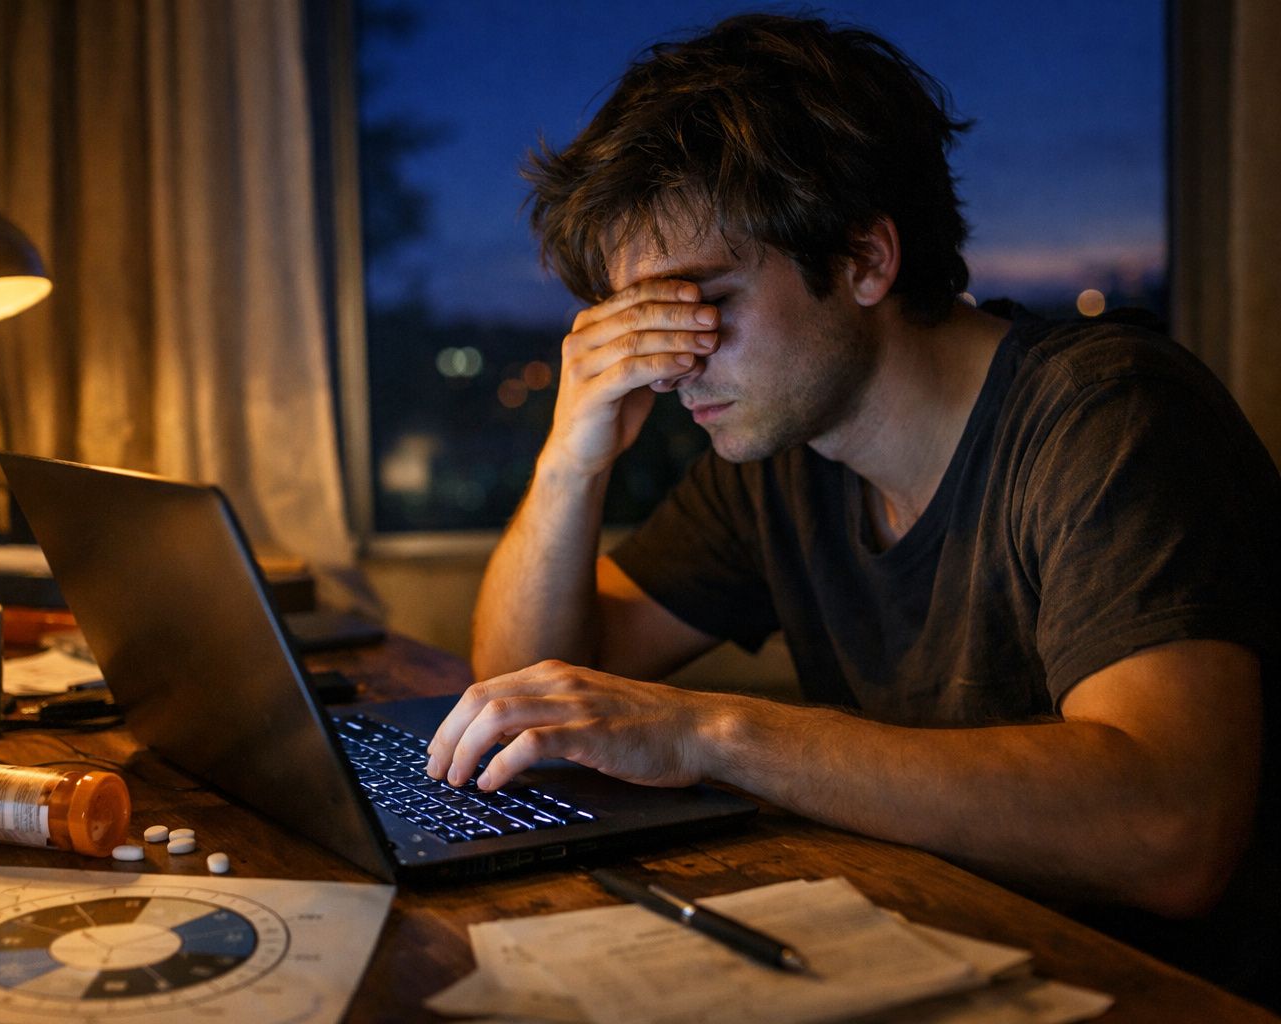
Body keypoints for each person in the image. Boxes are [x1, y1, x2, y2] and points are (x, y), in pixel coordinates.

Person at [423, 12, 1280, 1006]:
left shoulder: (1109, 416)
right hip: (963, 956)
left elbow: (1171, 833)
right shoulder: (785, 456)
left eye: (703, 302)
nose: (670, 362)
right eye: (642, 321)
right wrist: (570, 459)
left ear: (867, 260)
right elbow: (527, 690)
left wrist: (712, 734)